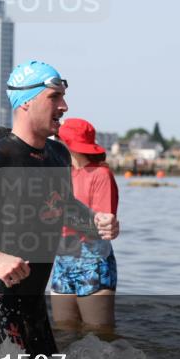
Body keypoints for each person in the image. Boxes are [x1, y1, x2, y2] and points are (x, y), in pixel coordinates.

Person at [0, 61, 119, 356]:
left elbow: (59, 205)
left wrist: (95, 222)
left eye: (64, 97)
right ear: (26, 102)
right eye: (54, 97)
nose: (64, 106)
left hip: (35, 307)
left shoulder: (57, 155)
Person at [50, 118, 120, 330]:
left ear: (68, 144)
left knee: (100, 335)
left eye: (57, 140)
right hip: (62, 262)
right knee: (63, 334)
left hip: (93, 262)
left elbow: (97, 228)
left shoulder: (101, 175)